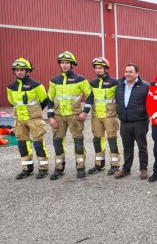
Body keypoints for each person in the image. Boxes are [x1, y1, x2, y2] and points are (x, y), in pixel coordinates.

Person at [47, 51, 92, 180]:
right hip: (58, 116)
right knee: (57, 142)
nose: (64, 65)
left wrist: (85, 112)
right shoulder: (54, 81)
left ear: (72, 64)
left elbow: (90, 95)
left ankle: (81, 167)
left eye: (67, 63)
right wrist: (50, 117)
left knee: (78, 142)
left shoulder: (80, 79)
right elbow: (50, 99)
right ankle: (59, 168)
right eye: (62, 63)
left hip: (75, 116)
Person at [7, 58, 49, 179]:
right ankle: (27, 168)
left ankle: (43, 168)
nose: (19, 72)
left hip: (34, 119)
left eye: (22, 70)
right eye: (17, 70)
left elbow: (44, 100)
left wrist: (35, 112)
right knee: (22, 144)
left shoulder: (36, 85)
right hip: (20, 120)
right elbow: (12, 101)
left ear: (28, 71)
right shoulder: (11, 87)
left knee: (38, 143)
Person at [114, 64, 150, 180]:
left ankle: (143, 168)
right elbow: (117, 102)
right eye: (126, 71)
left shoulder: (145, 86)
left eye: (130, 71)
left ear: (137, 74)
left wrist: (146, 118)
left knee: (142, 147)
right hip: (125, 122)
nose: (128, 74)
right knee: (127, 146)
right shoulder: (119, 85)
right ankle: (126, 169)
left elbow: (149, 104)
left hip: (140, 121)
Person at [86, 57, 121, 176]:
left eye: (100, 68)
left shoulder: (115, 82)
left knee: (112, 140)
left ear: (106, 69)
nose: (98, 70)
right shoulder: (92, 83)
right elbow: (90, 98)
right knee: (97, 140)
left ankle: (115, 165)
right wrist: (84, 111)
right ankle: (99, 164)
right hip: (96, 116)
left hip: (110, 116)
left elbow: (119, 99)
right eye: (96, 68)